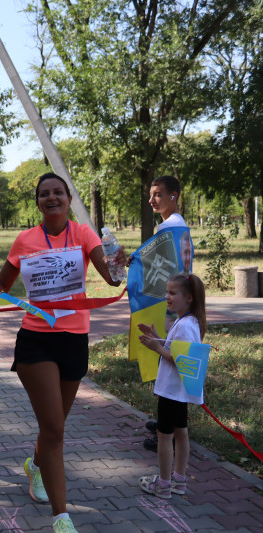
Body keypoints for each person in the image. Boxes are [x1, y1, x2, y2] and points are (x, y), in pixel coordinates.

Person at [0, 173, 124, 533]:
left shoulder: (83, 234)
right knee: (55, 428)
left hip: (73, 340)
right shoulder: (25, 239)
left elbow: (111, 278)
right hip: (36, 340)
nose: (52, 198)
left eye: (58, 192)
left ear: (69, 199)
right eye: (44, 194)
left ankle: (36, 465)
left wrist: (119, 264)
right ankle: (62, 518)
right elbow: (4, 279)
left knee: (53, 426)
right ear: (38, 202)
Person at [137, 273, 206, 499]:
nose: (167, 296)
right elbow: (176, 349)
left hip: (172, 391)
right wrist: (157, 337)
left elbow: (179, 360)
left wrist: (156, 348)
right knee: (181, 433)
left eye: (173, 293)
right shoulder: (187, 321)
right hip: (179, 391)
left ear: (189, 298)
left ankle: (164, 484)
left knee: (164, 435)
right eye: (167, 292)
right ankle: (179, 480)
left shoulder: (185, 325)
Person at [144, 175, 194, 452]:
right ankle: (168, 424)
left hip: (174, 306)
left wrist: (136, 262)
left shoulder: (170, 226)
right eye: (151, 194)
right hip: (180, 301)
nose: (152, 200)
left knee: (172, 366)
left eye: (158, 194)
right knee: (172, 365)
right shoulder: (178, 223)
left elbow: (163, 265)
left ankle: (168, 431)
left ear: (173, 196)